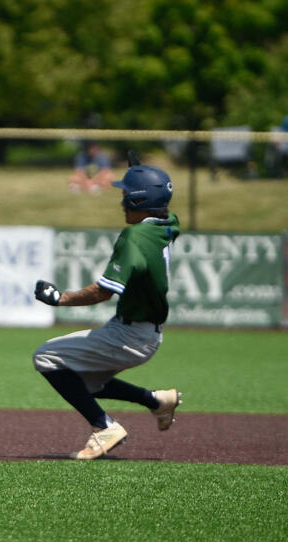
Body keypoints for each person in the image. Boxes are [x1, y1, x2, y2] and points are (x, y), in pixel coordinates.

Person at [33, 163, 182, 460]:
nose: (121, 200)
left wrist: (59, 298)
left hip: (131, 335)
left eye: (126, 194)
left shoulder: (134, 238)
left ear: (138, 201)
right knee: (84, 383)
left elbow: (104, 291)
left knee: (45, 357)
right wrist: (144, 179)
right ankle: (156, 401)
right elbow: (162, 206)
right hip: (142, 331)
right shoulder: (168, 224)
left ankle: (104, 427)